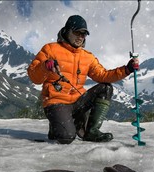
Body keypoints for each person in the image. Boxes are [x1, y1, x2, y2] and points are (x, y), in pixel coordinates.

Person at [27, 15, 139, 144]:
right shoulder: (50, 49)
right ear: (67, 31)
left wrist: (127, 69)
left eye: (84, 34)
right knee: (66, 137)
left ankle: (91, 132)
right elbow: (34, 76)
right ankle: (58, 127)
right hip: (56, 102)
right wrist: (45, 65)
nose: (80, 37)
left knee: (105, 88)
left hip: (78, 102)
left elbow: (103, 75)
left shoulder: (87, 57)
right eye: (77, 32)